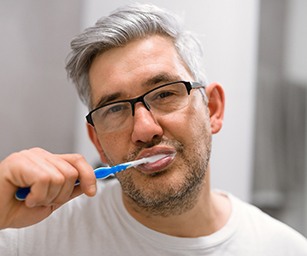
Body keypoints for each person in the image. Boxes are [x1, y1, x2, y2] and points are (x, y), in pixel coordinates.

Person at [0, 3, 306, 255]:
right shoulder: (28, 237)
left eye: (164, 94)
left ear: (212, 109)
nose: (145, 129)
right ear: (98, 143)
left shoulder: (284, 250)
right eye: (115, 109)